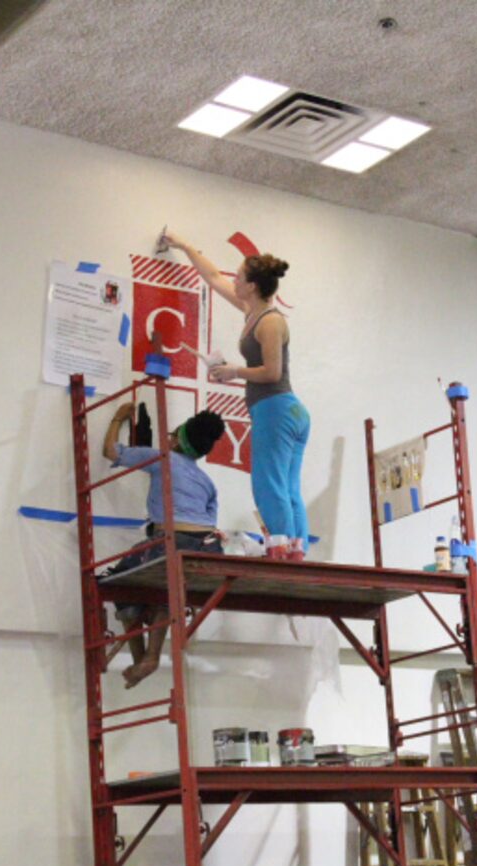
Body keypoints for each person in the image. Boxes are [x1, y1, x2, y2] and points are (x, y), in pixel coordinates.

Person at [162, 232, 310, 561]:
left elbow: (272, 372)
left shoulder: (270, 323)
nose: (235, 280)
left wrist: (233, 371)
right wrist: (186, 246)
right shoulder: (251, 310)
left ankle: (283, 548)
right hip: (284, 411)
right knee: (286, 485)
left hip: (277, 407)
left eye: (240, 277)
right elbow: (213, 277)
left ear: (253, 286)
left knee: (268, 483)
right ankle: (295, 548)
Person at [101, 401, 225, 687]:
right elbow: (209, 523)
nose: (166, 439)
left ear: (178, 443)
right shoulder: (207, 482)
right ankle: (150, 657)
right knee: (168, 588)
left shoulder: (161, 458)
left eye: (171, 435)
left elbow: (110, 451)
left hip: (170, 540)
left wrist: (119, 418)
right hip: (207, 547)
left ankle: (143, 656)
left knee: (119, 582)